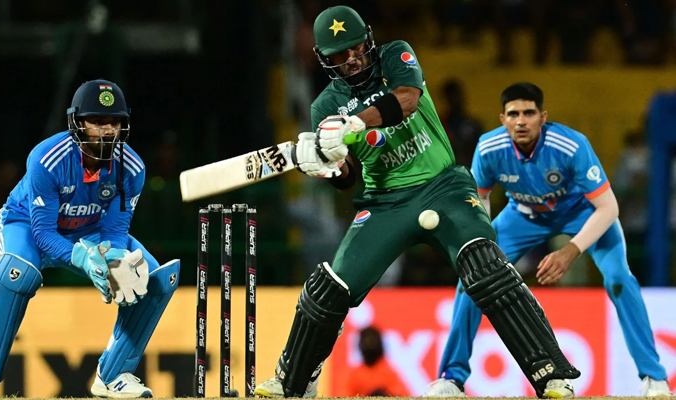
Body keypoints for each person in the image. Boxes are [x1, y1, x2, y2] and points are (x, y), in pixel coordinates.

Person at [254, 6, 580, 399]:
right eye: (340, 56)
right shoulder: (324, 106)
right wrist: (325, 166)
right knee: (330, 289)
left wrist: (356, 124)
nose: (352, 61)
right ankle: (294, 382)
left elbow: (406, 99)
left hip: (443, 185)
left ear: (369, 42)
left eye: (356, 49)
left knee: (485, 267)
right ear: (325, 60)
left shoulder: (395, 56)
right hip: (384, 202)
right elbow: (348, 179)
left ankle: (551, 376)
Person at [425, 82, 672, 397]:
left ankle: (654, 378)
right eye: (514, 114)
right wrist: (482, 246)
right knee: (472, 279)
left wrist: (569, 252)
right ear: (503, 119)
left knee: (620, 279)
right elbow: (480, 202)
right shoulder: (489, 147)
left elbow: (608, 208)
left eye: (529, 113)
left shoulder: (570, 145)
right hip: (523, 214)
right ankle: (452, 378)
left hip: (581, 211)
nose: (521, 121)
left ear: (543, 117)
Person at [0, 79, 180, 398]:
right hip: (26, 224)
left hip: (90, 230)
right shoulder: (47, 159)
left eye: (113, 122)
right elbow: (43, 234)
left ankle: (114, 375)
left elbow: (114, 232)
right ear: (78, 123)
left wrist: (111, 263)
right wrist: (85, 258)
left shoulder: (132, 168)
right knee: (18, 272)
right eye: (97, 122)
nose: (106, 130)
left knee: (152, 278)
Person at [344, 326, 407, 397]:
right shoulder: (354, 376)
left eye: (373, 340)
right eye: (366, 341)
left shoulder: (390, 374)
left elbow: (401, 395)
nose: (369, 344)